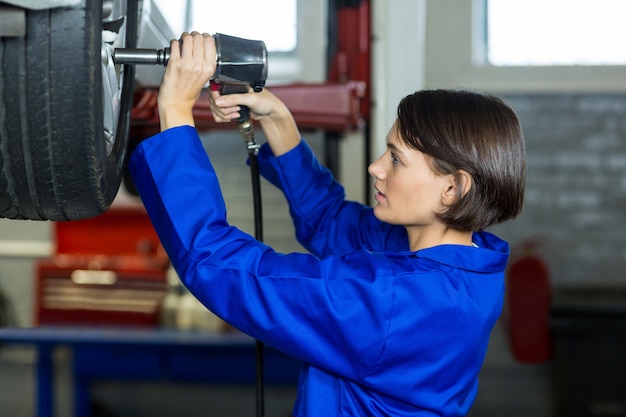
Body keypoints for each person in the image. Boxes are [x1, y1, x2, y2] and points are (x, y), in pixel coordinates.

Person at [128, 32, 526, 417]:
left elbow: (219, 267)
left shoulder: (391, 300)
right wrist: (279, 120)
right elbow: (331, 221)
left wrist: (177, 111)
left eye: (396, 159)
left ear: (453, 188)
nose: (375, 168)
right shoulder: (468, 263)